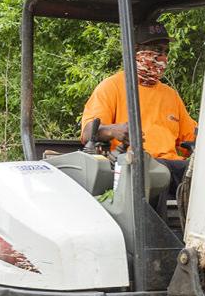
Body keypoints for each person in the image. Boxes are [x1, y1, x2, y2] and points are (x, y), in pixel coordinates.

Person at [79, 20, 197, 189]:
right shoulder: (112, 86)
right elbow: (87, 133)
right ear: (135, 50)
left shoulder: (170, 95)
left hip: (171, 169)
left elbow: (191, 137)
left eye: (166, 51)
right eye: (157, 50)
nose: (162, 57)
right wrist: (114, 130)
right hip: (131, 166)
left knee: (204, 174)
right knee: (154, 172)